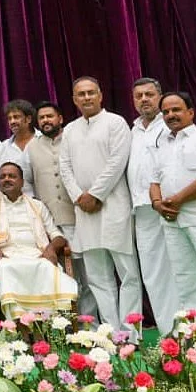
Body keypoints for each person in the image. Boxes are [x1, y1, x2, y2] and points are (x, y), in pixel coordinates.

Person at [59, 76, 141, 330]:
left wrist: (95, 194)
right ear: (74, 99)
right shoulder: (70, 130)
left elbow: (117, 162)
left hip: (114, 205)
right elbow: (64, 167)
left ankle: (130, 332)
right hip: (84, 210)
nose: (86, 97)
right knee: (97, 275)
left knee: (128, 273)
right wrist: (78, 196)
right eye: (81, 94)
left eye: (91, 92)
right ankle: (111, 331)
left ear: (100, 95)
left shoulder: (116, 123)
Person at [149, 92, 196, 325]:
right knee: (185, 278)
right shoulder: (160, 146)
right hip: (171, 220)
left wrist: (178, 199)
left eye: (176, 110)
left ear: (191, 112)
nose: (171, 115)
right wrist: (157, 204)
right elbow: (154, 181)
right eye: (166, 112)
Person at [0, 162, 77, 319]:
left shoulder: (37, 205)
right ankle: (18, 323)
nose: (6, 179)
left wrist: (51, 248)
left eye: (12, 176)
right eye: (3, 176)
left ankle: (49, 324)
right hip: (5, 257)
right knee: (4, 268)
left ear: (22, 182)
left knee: (48, 268)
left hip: (37, 256)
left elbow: (57, 235)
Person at [26, 101, 98, 317]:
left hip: (80, 217)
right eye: (42, 118)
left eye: (50, 116)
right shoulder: (32, 146)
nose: (46, 121)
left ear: (60, 118)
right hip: (49, 223)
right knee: (57, 275)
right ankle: (63, 322)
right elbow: (27, 183)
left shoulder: (74, 139)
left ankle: (89, 322)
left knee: (87, 273)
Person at [126, 77, 178, 335]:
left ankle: (192, 329)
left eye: (149, 94)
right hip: (142, 209)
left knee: (179, 268)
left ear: (159, 96)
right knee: (152, 274)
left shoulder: (169, 124)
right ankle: (169, 332)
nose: (144, 99)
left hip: (171, 207)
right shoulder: (132, 130)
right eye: (139, 96)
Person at [0, 99, 38, 191]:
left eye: (16, 117)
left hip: (43, 199)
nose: (12, 121)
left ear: (28, 119)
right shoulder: (3, 147)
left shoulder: (42, 140)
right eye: (9, 118)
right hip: (15, 200)